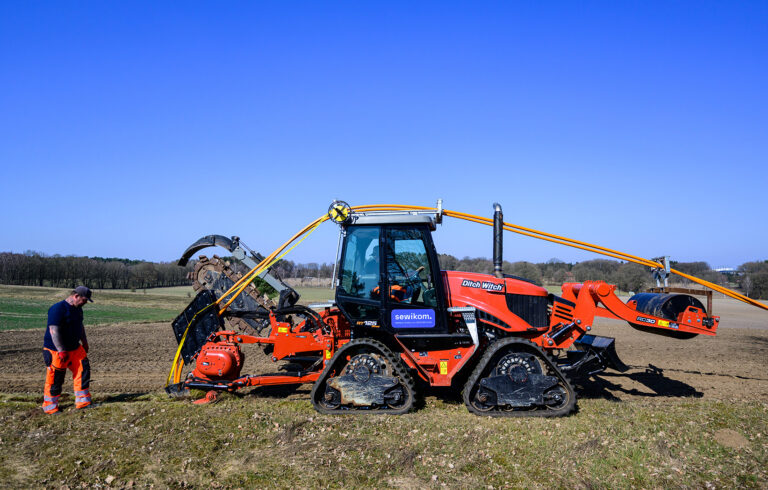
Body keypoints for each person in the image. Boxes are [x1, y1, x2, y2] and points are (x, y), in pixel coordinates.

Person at [42, 286, 93, 414]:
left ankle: (83, 403)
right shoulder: (57, 309)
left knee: (83, 370)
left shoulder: (78, 309)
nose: (85, 303)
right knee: (56, 378)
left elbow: (80, 326)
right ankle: (50, 407)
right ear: (76, 296)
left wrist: (85, 342)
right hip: (55, 350)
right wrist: (61, 350)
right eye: (84, 300)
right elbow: (53, 331)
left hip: (75, 347)